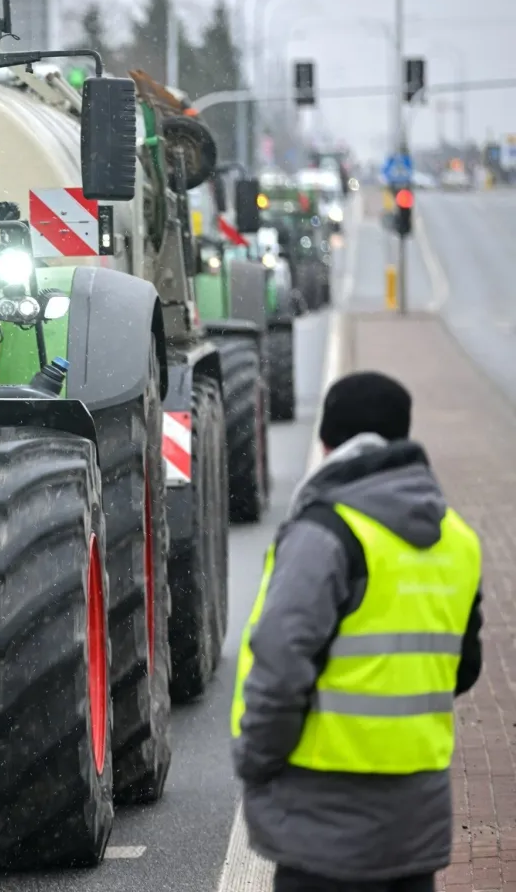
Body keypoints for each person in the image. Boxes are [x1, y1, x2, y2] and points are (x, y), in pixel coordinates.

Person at [231, 371, 484, 892]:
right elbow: (464, 669)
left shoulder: (325, 535)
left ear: (328, 444)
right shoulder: (457, 540)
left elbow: (279, 667)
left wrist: (256, 761)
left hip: (323, 829)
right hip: (415, 824)